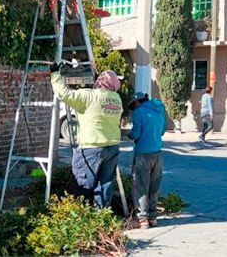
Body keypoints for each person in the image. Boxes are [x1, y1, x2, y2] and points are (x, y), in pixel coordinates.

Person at [50, 62, 123, 208]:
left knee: (84, 186)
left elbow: (64, 94)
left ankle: (83, 219)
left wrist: (55, 74)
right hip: (112, 147)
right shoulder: (116, 98)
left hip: (91, 149)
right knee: (105, 185)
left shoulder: (89, 97)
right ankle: (101, 219)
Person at [128, 91, 166, 229]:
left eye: (134, 105)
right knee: (154, 187)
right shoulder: (159, 110)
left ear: (137, 102)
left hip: (143, 154)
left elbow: (136, 133)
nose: (134, 108)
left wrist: (130, 135)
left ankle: (143, 219)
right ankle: (153, 218)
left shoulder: (139, 112)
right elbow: (162, 131)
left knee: (141, 186)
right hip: (157, 153)